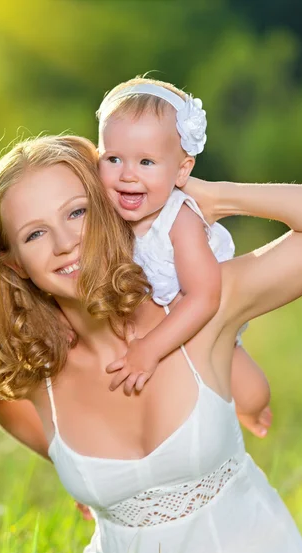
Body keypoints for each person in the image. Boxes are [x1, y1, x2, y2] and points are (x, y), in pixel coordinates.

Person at [0, 134, 302, 553]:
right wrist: (77, 470)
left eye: (77, 212)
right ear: (14, 264)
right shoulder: (34, 376)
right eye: (34, 234)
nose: (64, 243)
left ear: (112, 208)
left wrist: (209, 197)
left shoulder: (199, 311)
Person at [96, 77, 271, 438]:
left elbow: (205, 296)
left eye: (146, 162)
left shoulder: (180, 220)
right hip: (140, 328)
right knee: (129, 391)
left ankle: (251, 413)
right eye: (113, 158)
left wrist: (151, 349)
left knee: (252, 392)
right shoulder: (105, 216)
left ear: (181, 171)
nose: (127, 174)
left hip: (202, 322)